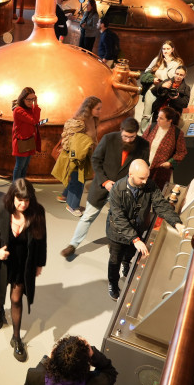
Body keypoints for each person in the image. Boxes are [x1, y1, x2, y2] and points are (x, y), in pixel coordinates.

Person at [60, 117, 149, 258]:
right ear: (120, 131)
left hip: (123, 190)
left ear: (136, 133)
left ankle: (112, 243)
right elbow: (96, 160)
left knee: (115, 218)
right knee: (88, 216)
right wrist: (105, 181)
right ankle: (73, 245)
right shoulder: (109, 139)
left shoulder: (143, 145)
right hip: (102, 186)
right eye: (125, 136)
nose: (127, 140)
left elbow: (142, 166)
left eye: (131, 137)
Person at [0, 178, 46, 362]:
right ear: (12, 197)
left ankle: (16, 338)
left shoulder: (37, 213)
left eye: (27, 200)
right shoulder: (1, 211)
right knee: (0, 289)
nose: (23, 204)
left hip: (23, 264)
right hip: (2, 262)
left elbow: (41, 240)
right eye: (19, 200)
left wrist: (39, 263)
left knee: (16, 299)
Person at [106, 159, 184, 300]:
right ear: (130, 174)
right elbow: (119, 218)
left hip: (137, 229)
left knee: (130, 253)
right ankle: (112, 283)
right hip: (117, 233)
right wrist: (135, 239)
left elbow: (160, 205)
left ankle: (126, 264)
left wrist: (176, 222)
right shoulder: (117, 189)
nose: (145, 181)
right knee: (114, 260)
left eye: (147, 177)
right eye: (142, 178)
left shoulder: (150, 185)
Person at [52, 96, 102, 216]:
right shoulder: (79, 123)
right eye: (98, 109)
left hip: (86, 156)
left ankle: (64, 196)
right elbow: (72, 142)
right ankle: (72, 206)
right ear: (89, 109)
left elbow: (93, 138)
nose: (100, 111)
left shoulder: (93, 119)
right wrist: (78, 155)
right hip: (78, 157)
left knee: (76, 179)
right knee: (79, 181)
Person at [140, 41, 183, 132]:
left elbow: (175, 77)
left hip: (165, 93)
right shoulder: (157, 60)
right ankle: (142, 135)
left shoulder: (177, 62)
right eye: (164, 49)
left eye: (168, 49)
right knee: (146, 115)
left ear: (172, 50)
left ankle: (156, 135)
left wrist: (167, 65)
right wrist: (152, 79)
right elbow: (146, 73)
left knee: (160, 116)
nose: (165, 51)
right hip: (153, 89)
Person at [143, 107, 187, 190]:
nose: (157, 120)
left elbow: (182, 152)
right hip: (144, 166)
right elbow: (142, 141)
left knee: (154, 192)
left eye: (161, 118)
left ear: (169, 121)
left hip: (160, 172)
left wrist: (170, 163)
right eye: (158, 117)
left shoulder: (177, 133)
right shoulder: (152, 127)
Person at [12, 87, 41, 182]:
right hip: (22, 142)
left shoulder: (30, 108)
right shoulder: (18, 110)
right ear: (22, 98)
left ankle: (22, 185)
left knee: (25, 166)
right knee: (19, 166)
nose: (30, 102)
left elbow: (35, 121)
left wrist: (34, 104)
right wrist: (35, 105)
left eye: (32, 99)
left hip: (29, 140)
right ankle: (15, 188)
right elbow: (34, 121)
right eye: (28, 99)